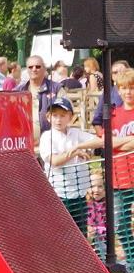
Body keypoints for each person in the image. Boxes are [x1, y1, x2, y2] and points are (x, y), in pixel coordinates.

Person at [41, 94, 104, 238]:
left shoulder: (75, 133)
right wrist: (75, 152)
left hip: (79, 195)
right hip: (58, 196)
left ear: (70, 117)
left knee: (81, 235)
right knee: (61, 235)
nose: (58, 119)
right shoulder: (47, 137)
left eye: (63, 115)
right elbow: (54, 161)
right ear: (48, 117)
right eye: (55, 115)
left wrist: (80, 145)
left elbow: (99, 142)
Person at [99, 69, 134, 261]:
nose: (128, 92)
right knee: (120, 224)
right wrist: (128, 142)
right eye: (124, 88)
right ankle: (131, 260)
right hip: (119, 177)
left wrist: (118, 141)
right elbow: (105, 140)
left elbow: (114, 142)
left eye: (131, 88)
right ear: (118, 90)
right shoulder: (112, 114)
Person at [19, 55, 61, 132]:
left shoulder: (56, 88)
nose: (34, 69)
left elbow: (67, 111)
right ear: (27, 70)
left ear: (44, 69)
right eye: (30, 67)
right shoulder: (18, 91)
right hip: (24, 138)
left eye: (38, 66)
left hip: (49, 138)